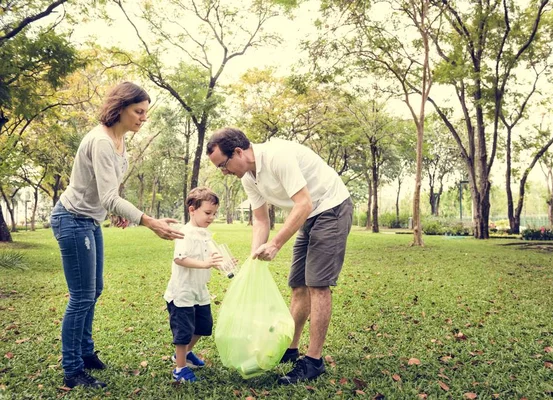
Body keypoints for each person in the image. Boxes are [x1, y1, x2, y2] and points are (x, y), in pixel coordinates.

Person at [50, 82, 184, 389]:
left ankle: (85, 353)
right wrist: (148, 221)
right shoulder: (101, 141)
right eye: (139, 111)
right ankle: (72, 370)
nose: (143, 118)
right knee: (81, 296)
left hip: (90, 221)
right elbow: (110, 195)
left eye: (145, 113)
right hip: (72, 220)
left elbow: (104, 192)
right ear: (120, 108)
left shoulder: (119, 140)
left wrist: (116, 213)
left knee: (93, 290)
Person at [206, 127, 353, 385]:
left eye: (223, 165)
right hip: (309, 215)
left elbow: (304, 202)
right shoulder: (248, 178)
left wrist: (275, 244)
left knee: (317, 284)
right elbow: (261, 220)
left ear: (239, 152)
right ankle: (292, 348)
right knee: (298, 285)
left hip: (331, 207)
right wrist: (254, 257)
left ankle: (313, 361)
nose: (224, 172)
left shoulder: (277, 157)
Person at [164, 187, 224, 383]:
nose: (212, 217)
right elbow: (180, 259)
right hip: (182, 293)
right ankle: (179, 368)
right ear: (192, 209)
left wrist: (221, 263)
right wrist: (205, 263)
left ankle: (185, 354)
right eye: (208, 213)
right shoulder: (185, 233)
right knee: (183, 332)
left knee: (204, 326)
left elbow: (210, 258)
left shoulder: (205, 234)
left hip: (200, 291)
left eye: (214, 213)